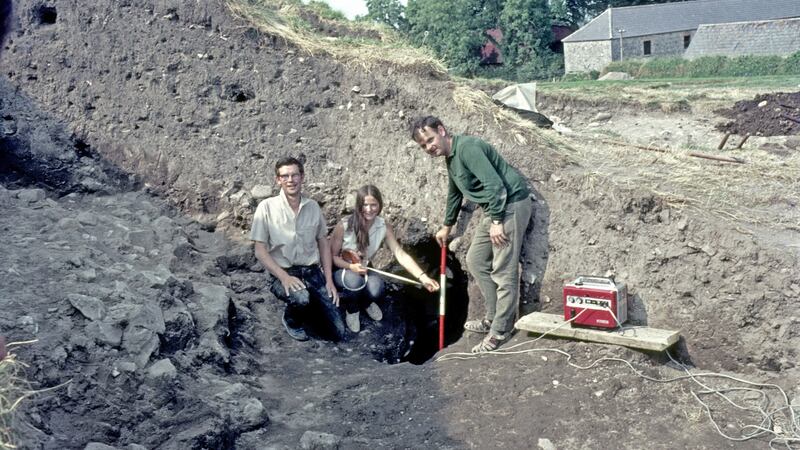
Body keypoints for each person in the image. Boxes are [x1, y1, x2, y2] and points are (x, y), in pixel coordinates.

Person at [411, 116, 533, 353]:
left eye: (430, 140)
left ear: (442, 130)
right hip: (495, 208)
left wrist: (497, 220)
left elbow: (495, 185)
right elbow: (455, 192)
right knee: (476, 260)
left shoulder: (468, 148)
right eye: (423, 146)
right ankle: (492, 316)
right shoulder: (451, 157)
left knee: (503, 269)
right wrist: (447, 225)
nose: (428, 147)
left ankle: (500, 330)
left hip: (510, 204)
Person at [250, 157, 345, 342]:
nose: (290, 180)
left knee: (338, 331)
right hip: (283, 271)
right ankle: (291, 318)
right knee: (301, 299)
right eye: (285, 176)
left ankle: (311, 306)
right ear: (278, 180)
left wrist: (328, 280)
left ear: (302, 177)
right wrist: (284, 277)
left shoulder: (313, 207)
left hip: (311, 271)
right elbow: (260, 250)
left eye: (294, 175)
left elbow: (323, 243)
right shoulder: (266, 208)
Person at [330, 184, 439, 333]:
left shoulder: (384, 226)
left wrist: (423, 277)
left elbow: (400, 254)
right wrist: (350, 267)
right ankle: (352, 309)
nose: (369, 209)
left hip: (365, 266)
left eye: (373, 204)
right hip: (343, 267)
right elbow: (333, 257)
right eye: (365, 205)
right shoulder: (343, 226)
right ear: (358, 205)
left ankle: (366, 302)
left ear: (380, 205)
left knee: (376, 289)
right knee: (354, 282)